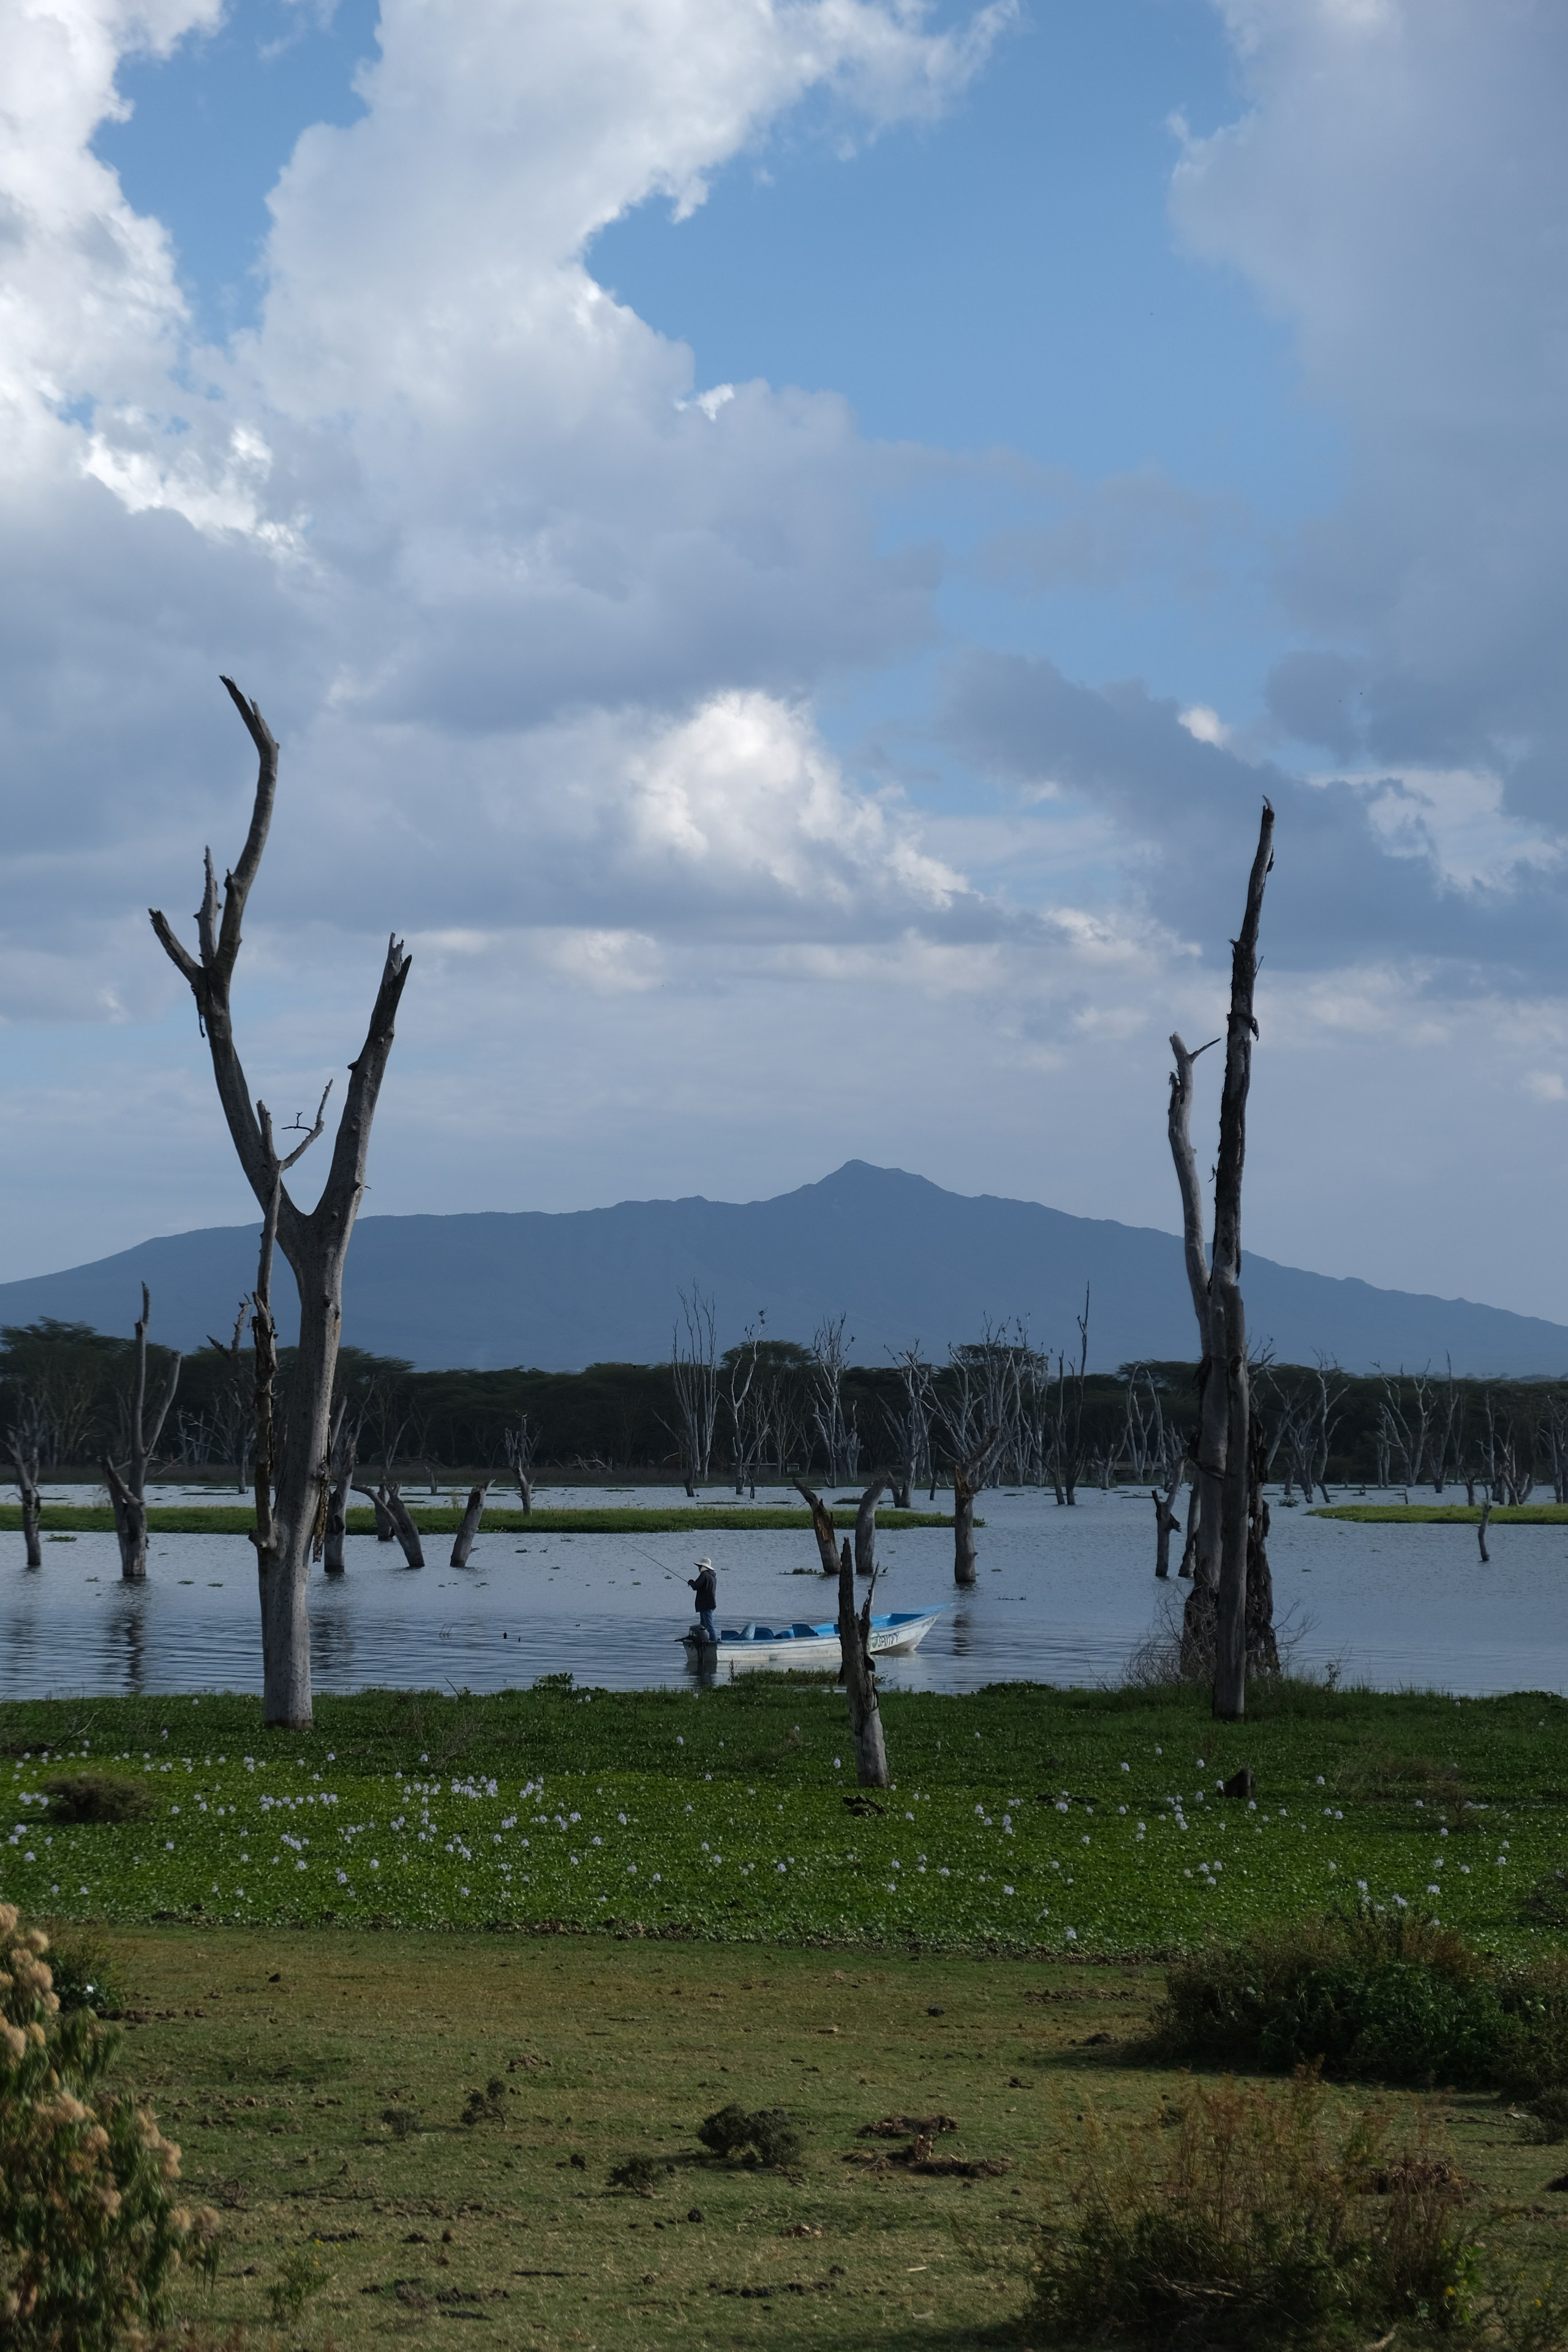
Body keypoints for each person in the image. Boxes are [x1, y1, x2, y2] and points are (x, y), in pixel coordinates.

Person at [688, 1555, 718, 1645]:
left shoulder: (704, 1575)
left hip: (706, 1604)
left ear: (704, 1567)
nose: (699, 1568)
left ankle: (714, 1642)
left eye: (700, 1567)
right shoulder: (713, 1577)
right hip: (709, 1603)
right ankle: (704, 1640)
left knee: (709, 1625)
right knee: (703, 1625)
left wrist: (691, 1582)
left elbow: (696, 1586)